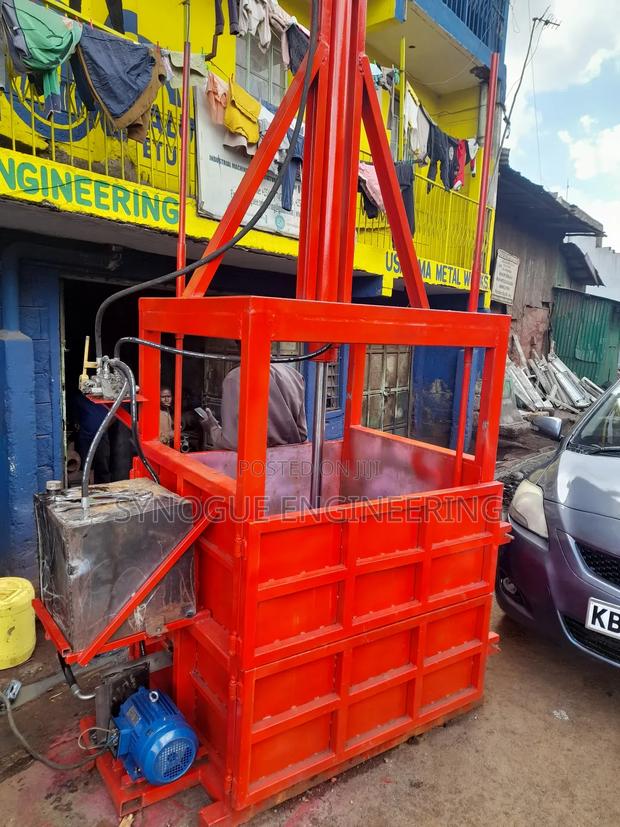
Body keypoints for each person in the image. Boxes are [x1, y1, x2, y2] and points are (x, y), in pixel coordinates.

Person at [202, 363, 307, 450]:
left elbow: (232, 442)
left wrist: (212, 428)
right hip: (289, 463)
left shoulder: (236, 378)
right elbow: (302, 435)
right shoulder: (293, 374)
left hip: (256, 466)